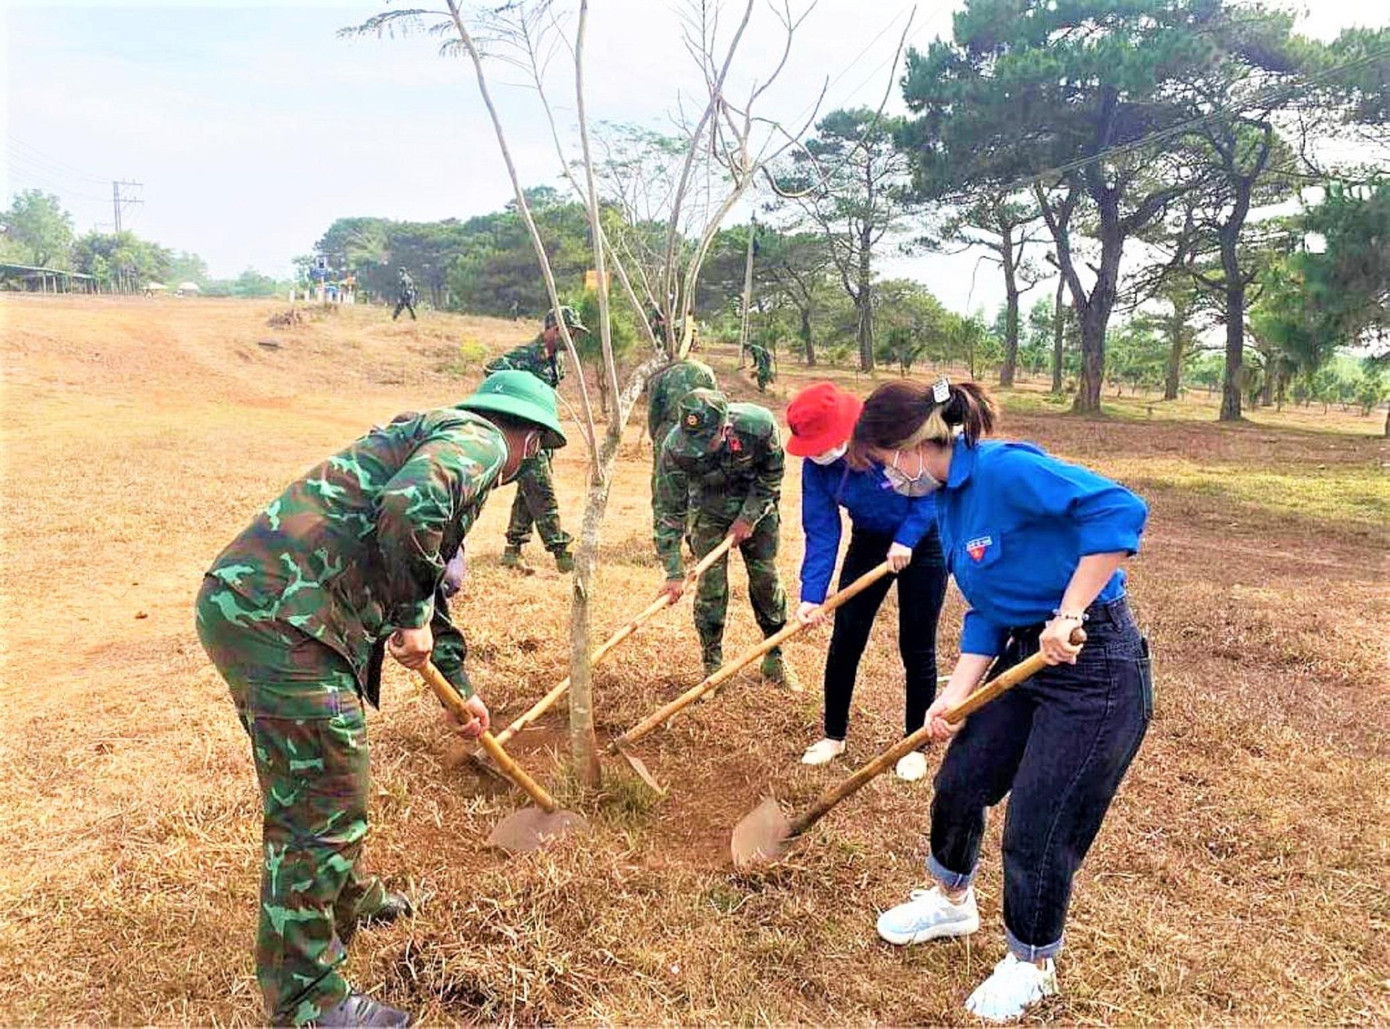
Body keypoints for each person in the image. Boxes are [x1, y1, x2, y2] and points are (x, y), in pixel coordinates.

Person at [196, 370, 566, 1028]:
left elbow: (427, 580)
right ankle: (310, 1001)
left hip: (261, 607)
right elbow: (409, 510)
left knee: (326, 785)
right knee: (320, 805)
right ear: (530, 440)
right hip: (285, 619)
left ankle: (347, 897)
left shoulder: (439, 436)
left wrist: (464, 694)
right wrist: (411, 610)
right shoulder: (479, 442)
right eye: (536, 451)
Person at [853, 378, 1151, 1023]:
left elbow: (1120, 511)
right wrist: (951, 698)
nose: (887, 479)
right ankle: (952, 900)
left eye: (884, 465)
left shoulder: (1006, 471)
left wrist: (1069, 611)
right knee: (961, 781)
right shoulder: (947, 502)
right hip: (1023, 654)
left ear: (910, 446)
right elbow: (986, 610)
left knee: (1040, 822)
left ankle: (1032, 962)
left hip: (1090, 659)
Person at [785, 382, 946, 781]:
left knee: (916, 642)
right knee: (846, 639)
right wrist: (811, 595)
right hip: (870, 541)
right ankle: (834, 736)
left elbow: (930, 490)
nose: (820, 454)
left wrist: (907, 539)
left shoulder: (887, 441)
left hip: (924, 542)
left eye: (825, 444)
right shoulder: (816, 469)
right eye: (813, 449)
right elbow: (821, 530)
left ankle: (915, 742)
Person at [652, 389, 793, 685]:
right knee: (711, 587)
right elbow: (668, 510)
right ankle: (712, 665)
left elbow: (773, 474)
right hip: (708, 510)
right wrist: (673, 571)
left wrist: (749, 517)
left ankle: (774, 655)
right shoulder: (676, 447)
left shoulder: (759, 425)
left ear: (725, 427)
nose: (699, 450)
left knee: (766, 579)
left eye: (707, 440)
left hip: (756, 507)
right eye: (694, 442)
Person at [485, 306, 587, 573]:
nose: (573, 338)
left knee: (528, 491)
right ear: (554, 329)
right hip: (525, 435)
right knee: (542, 491)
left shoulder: (558, 359)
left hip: (543, 432)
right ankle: (561, 553)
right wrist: (515, 404)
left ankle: (513, 549)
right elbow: (492, 371)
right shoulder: (526, 355)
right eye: (571, 332)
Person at [646, 345, 717, 493]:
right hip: (699, 433)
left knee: (664, 482)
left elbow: (654, 412)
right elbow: (715, 407)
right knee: (697, 479)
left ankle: (665, 515)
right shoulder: (706, 372)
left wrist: (656, 435)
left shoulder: (662, 375)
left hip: (669, 431)